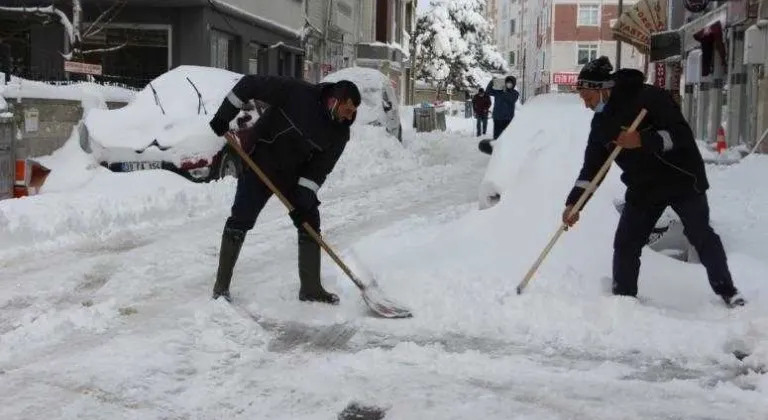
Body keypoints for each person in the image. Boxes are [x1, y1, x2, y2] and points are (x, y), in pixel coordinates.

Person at [562, 56, 746, 308]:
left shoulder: (648, 98)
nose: (586, 104)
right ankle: (624, 300)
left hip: (681, 178)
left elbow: (680, 134)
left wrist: (643, 140)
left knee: (700, 233)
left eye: (588, 97)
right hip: (644, 187)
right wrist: (575, 203)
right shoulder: (601, 125)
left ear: (603, 89)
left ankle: (729, 292)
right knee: (626, 242)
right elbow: (593, 169)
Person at [207, 75, 361, 305]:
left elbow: (318, 171)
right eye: (347, 109)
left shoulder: (339, 134)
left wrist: (303, 200)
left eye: (353, 111)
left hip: (293, 173)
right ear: (333, 102)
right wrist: (224, 115)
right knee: (241, 217)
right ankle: (221, 288)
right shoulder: (297, 93)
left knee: (309, 221)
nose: (350, 116)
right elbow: (250, 84)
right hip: (260, 160)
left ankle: (311, 289)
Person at [485, 75, 520, 139]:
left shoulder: (515, 93)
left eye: (510, 83)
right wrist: (492, 82)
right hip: (497, 117)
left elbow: (511, 99)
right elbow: (488, 92)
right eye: (507, 82)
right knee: (497, 137)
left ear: (513, 84)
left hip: (507, 119)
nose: (509, 84)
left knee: (506, 137)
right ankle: (496, 148)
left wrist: (505, 91)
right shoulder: (498, 91)